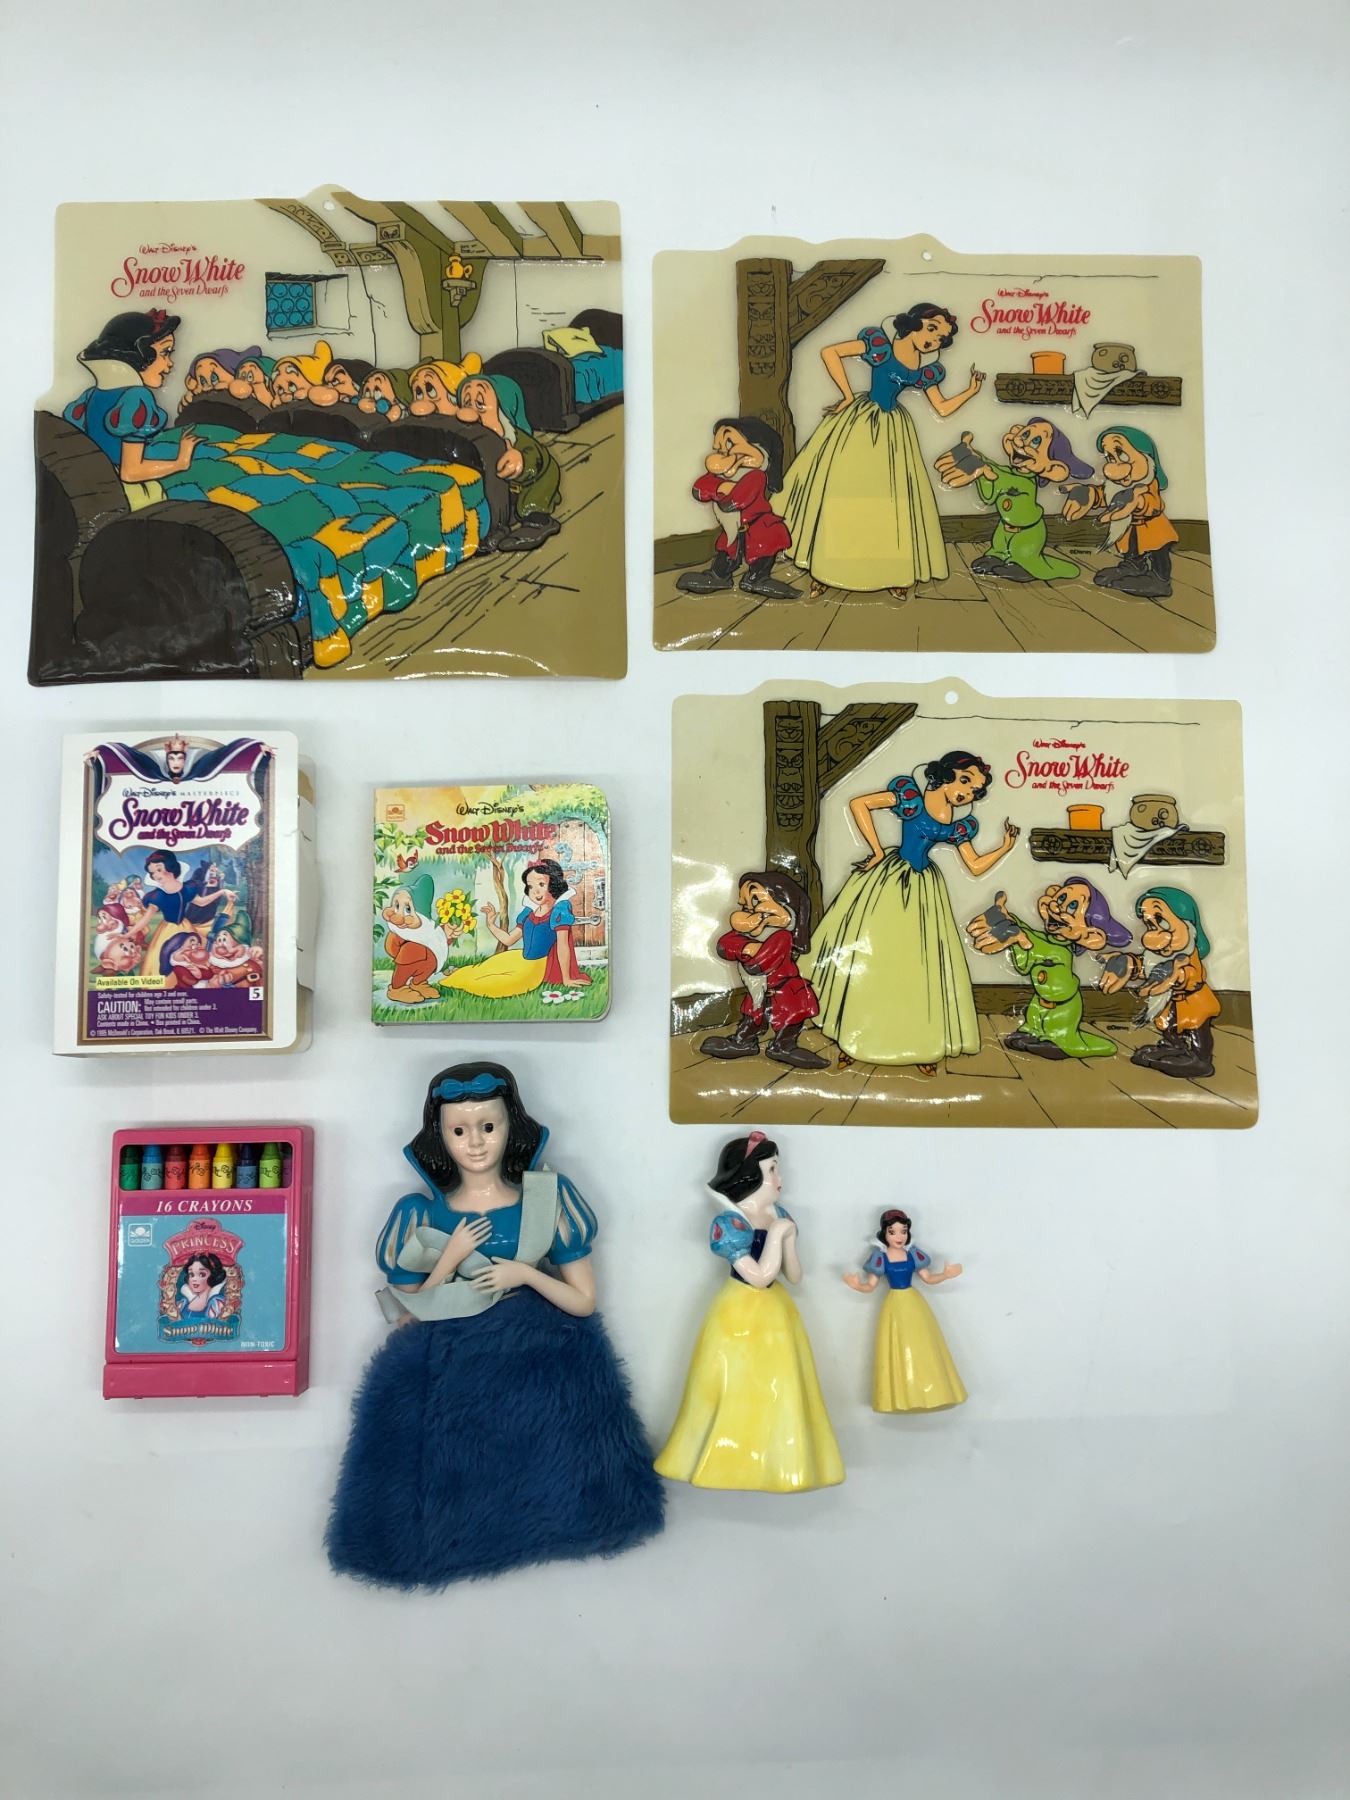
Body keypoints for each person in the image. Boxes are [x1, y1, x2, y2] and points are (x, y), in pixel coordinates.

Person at [325, 1062, 664, 1587]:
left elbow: (582, 1302)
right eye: (459, 1130)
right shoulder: (419, 1214)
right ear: (439, 1136)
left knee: (559, 1473)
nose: (476, 1143)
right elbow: (409, 1309)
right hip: (447, 1369)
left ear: (512, 1126)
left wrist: (524, 1273)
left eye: (489, 1125)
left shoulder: (549, 1200)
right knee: (450, 1476)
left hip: (541, 1364)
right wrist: (451, 1254)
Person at [806, 752, 1020, 1074]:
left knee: (918, 965)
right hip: (890, 882)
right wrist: (876, 851)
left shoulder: (956, 824)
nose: (966, 793)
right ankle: (854, 1033)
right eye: (964, 781)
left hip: (923, 889)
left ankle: (919, 1041)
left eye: (974, 791)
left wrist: (1004, 847)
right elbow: (859, 804)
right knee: (872, 957)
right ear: (946, 773)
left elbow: (975, 866)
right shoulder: (911, 798)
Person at [654, 1131, 843, 1493]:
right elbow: (757, 1277)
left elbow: (794, 1276)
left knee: (780, 1388)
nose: (780, 1178)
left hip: (777, 1315)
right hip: (738, 1312)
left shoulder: (779, 1214)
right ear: (749, 1175)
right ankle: (728, 1460)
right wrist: (777, 1235)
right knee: (734, 1388)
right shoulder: (730, 1224)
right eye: (772, 1169)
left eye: (777, 1169)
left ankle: (781, 1460)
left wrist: (787, 1237)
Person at [777, 303, 984, 600]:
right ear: (913, 323)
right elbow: (830, 352)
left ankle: (892, 571)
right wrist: (846, 395)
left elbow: (941, 407)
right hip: (860, 424)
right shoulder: (880, 346)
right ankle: (825, 568)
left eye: (941, 337)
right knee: (842, 491)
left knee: (891, 502)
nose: (934, 340)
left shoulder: (924, 371)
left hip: (893, 431)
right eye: (932, 329)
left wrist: (971, 391)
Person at [62, 308, 200, 503]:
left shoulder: (90, 396)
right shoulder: (136, 398)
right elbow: (131, 472)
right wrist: (181, 461)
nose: (170, 364)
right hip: (131, 494)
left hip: (98, 488)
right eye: (165, 353)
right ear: (138, 355)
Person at [843, 1209, 965, 1413]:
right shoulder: (880, 1258)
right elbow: (870, 1286)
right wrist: (856, 1285)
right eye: (893, 1232)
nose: (899, 1236)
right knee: (897, 1345)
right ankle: (901, 1395)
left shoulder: (913, 1255)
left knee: (923, 1344)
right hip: (894, 1305)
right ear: (884, 1233)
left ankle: (931, 1390)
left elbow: (928, 1278)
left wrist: (945, 1275)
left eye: (903, 1231)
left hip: (914, 1304)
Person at [676, 416, 796, 599]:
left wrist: (725, 495)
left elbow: (739, 500)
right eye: (719, 446)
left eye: (729, 442)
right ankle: (719, 575)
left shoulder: (756, 475)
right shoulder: (721, 476)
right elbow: (699, 488)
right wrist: (721, 486)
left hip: (758, 525)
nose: (721, 450)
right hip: (733, 527)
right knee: (728, 549)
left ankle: (757, 577)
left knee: (765, 548)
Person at [439, 861, 590, 1004]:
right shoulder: (528, 913)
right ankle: (455, 975)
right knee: (481, 968)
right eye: (530, 886)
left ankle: (455, 981)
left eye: (541, 884)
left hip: (534, 969)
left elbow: (563, 946)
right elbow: (509, 939)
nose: (535, 891)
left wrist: (566, 978)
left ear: (554, 885)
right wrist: (491, 924)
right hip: (518, 957)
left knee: (489, 985)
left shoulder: (559, 912)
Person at [177, 1254, 228, 1320]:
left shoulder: (217, 1303)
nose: (194, 1279)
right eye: (191, 1274)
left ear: (213, 1276)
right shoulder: (182, 1304)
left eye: (202, 1274)